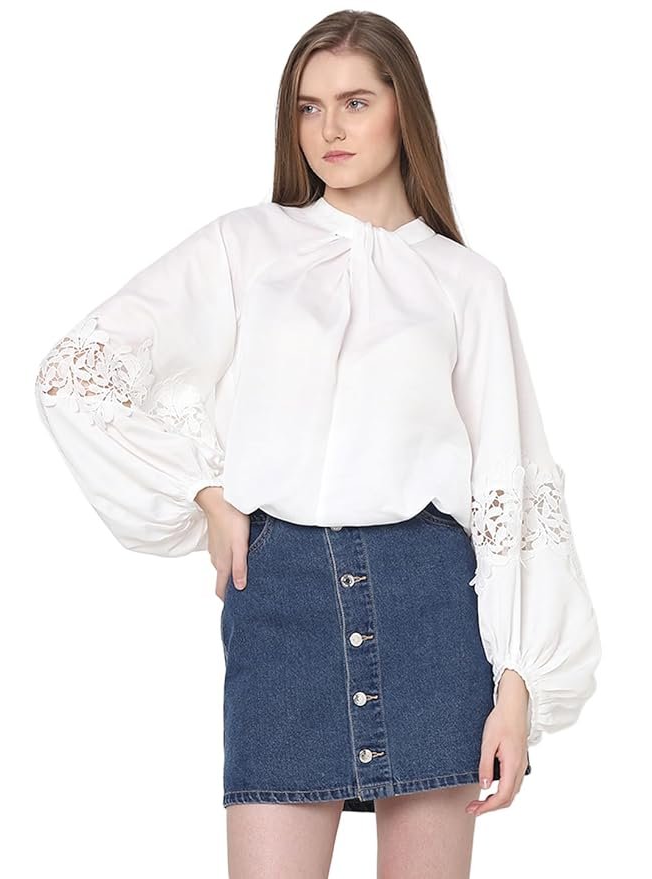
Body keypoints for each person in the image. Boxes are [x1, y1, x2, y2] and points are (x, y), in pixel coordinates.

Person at [33, 9, 602, 878]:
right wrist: (204, 493)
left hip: (430, 608)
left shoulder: (466, 282)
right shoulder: (245, 245)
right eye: (308, 107)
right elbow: (76, 374)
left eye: (354, 102)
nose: (328, 128)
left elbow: (510, 485)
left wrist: (518, 686)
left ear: (404, 110)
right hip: (281, 601)